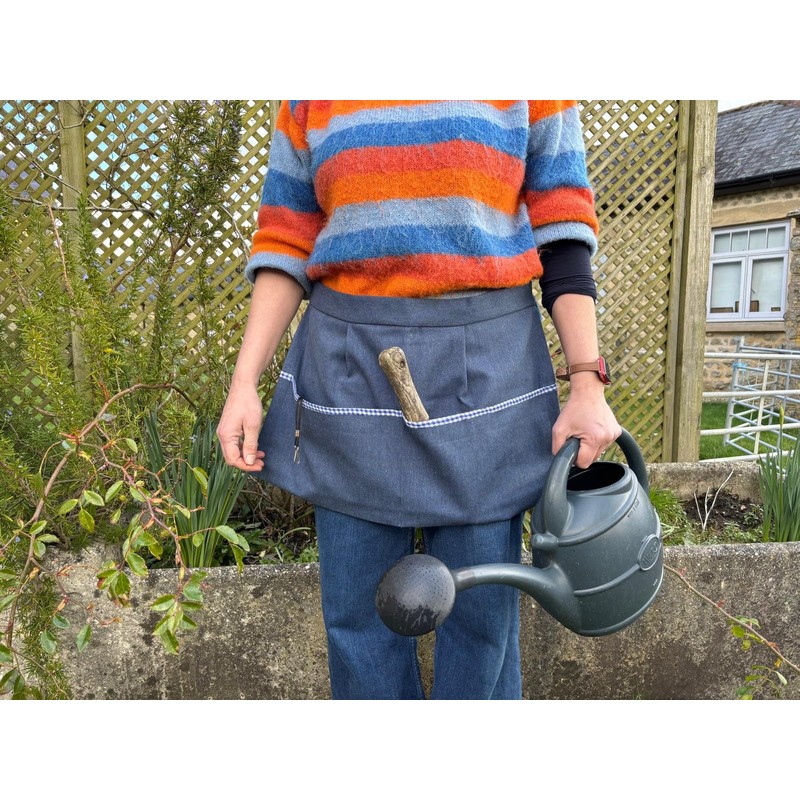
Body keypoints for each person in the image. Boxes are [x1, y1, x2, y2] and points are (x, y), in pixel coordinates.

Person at [217, 100, 621, 700]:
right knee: (358, 629)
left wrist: (587, 381)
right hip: (350, 378)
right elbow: (285, 241)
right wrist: (243, 381)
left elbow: (562, 231)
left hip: (490, 383)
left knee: (483, 630)